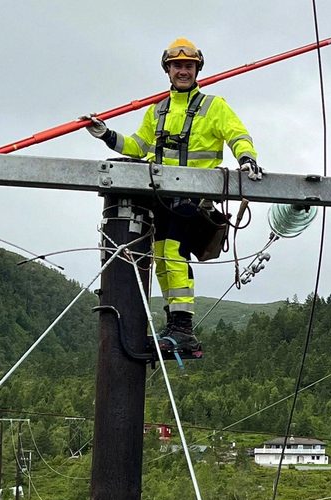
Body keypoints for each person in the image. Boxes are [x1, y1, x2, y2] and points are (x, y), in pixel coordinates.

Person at [84, 37, 263, 359]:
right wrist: (107, 135)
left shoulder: (214, 106)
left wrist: (247, 159)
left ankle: (182, 327)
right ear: (168, 70)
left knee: (172, 252)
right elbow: (139, 147)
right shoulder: (158, 111)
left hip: (194, 196)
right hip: (163, 198)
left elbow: (238, 135)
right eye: (178, 66)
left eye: (189, 66)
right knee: (164, 256)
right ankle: (176, 325)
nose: (183, 71)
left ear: (197, 70)